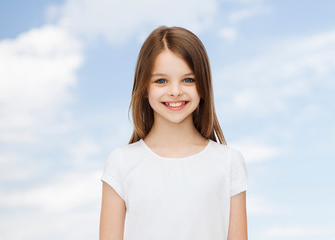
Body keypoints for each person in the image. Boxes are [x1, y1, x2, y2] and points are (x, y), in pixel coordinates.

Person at [99, 26, 249, 240]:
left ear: (203, 85)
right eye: (161, 80)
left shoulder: (229, 161)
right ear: (144, 87)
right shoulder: (121, 163)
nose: (176, 91)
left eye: (188, 79)